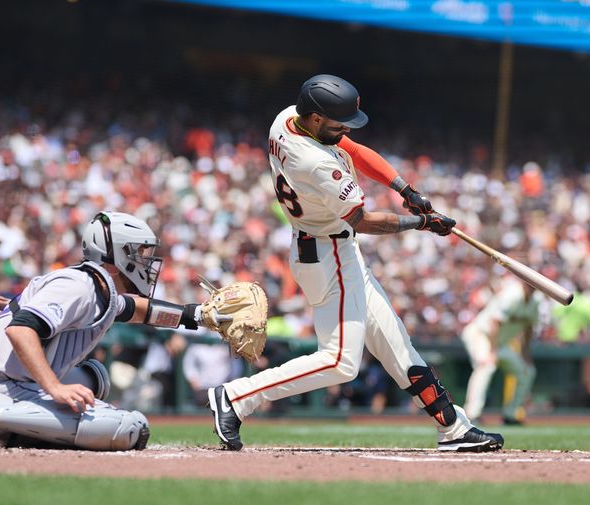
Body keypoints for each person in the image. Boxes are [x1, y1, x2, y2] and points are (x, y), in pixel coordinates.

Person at [208, 74, 502, 452]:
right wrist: (422, 223)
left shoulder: (287, 118)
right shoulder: (314, 163)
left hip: (330, 249)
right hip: (329, 255)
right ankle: (236, 396)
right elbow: (361, 221)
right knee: (340, 362)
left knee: (397, 346)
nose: (343, 129)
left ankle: (453, 427)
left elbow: (356, 151)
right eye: (336, 123)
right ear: (315, 119)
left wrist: (406, 191)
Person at [0, 211, 205, 450]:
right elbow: (20, 329)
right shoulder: (78, 286)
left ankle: (8, 427)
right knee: (130, 428)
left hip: (13, 378)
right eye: (139, 253)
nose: (146, 262)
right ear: (115, 257)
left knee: (95, 378)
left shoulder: (98, 287)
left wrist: (199, 316)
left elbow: (140, 310)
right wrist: (55, 388)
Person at [461, 278, 541, 425]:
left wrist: (525, 353)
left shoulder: (535, 301)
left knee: (526, 371)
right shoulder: (512, 295)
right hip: (481, 335)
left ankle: (510, 415)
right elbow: (494, 322)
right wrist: (492, 351)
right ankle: (472, 413)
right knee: (486, 366)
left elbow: (529, 328)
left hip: (500, 343)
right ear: (524, 282)